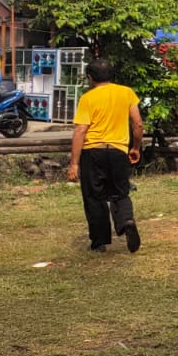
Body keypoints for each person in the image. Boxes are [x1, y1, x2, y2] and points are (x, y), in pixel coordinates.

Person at [67, 58, 145, 253]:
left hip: (93, 151)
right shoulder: (126, 93)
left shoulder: (88, 98)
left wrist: (74, 163)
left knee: (94, 196)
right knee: (120, 191)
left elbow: (80, 131)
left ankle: (99, 241)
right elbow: (138, 124)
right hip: (119, 150)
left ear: (90, 78)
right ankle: (126, 220)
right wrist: (135, 147)